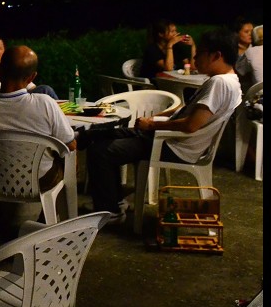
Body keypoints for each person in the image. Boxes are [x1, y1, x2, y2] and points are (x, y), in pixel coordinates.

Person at [82, 29, 242, 219]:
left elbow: (191, 125)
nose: (196, 57)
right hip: (174, 140)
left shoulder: (220, 83)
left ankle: (111, 211)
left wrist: (151, 126)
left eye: (200, 52)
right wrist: (155, 119)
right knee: (110, 135)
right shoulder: (232, 81)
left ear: (217, 55)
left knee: (101, 151)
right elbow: (186, 109)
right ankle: (111, 198)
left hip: (174, 146)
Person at [0, 46, 76, 221]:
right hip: (39, 180)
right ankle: (57, 220)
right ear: (32, 77)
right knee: (68, 154)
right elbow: (71, 145)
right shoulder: (45, 103)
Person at [0, 35, 59, 100]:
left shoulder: (11, 68)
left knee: (45, 89)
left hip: (19, 99)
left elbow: (32, 87)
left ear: (5, 51)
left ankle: (61, 115)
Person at [236, 23, 263, 91]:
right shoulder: (230, 51)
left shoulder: (251, 52)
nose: (250, 34)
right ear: (237, 33)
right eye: (246, 31)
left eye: (252, 31)